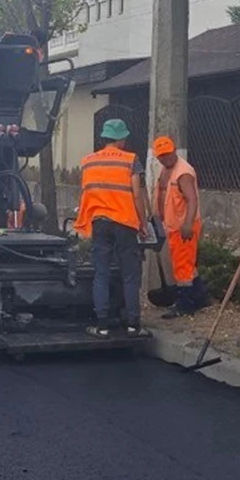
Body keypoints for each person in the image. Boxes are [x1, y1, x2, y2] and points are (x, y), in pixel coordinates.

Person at [74, 118, 152, 339]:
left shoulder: (88, 161)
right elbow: (137, 193)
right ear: (119, 139)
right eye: (124, 137)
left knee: (101, 273)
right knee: (129, 275)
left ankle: (102, 326)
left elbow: (87, 192)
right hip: (126, 223)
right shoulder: (130, 160)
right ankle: (133, 326)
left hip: (100, 222)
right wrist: (143, 223)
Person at [152, 135, 208, 318]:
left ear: (174, 150)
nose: (165, 158)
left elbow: (192, 199)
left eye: (168, 154)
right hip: (173, 224)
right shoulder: (167, 169)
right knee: (187, 263)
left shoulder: (183, 173)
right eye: (162, 156)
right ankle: (200, 297)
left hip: (183, 226)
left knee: (182, 266)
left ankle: (185, 305)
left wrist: (187, 224)